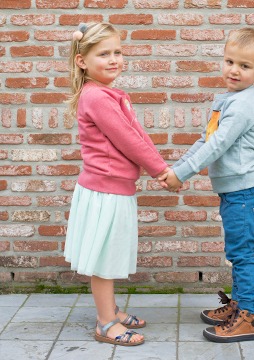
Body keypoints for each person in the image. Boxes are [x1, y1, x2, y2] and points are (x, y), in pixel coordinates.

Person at [158, 28, 254, 343]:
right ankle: (238, 306)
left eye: (245, 66)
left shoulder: (243, 105)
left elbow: (218, 145)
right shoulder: (229, 100)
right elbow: (204, 140)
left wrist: (183, 174)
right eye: (230, 61)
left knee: (243, 255)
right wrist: (177, 168)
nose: (234, 70)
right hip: (238, 195)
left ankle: (250, 317)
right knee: (237, 252)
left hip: (246, 195)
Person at [64, 22, 169, 346]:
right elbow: (128, 142)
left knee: (109, 257)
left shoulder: (109, 94)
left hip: (113, 190)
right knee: (103, 261)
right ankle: (105, 323)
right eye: (104, 54)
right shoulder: (97, 97)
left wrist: (160, 167)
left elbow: (137, 136)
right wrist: (160, 171)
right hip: (104, 192)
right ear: (82, 60)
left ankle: (111, 310)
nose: (114, 60)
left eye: (118, 52)